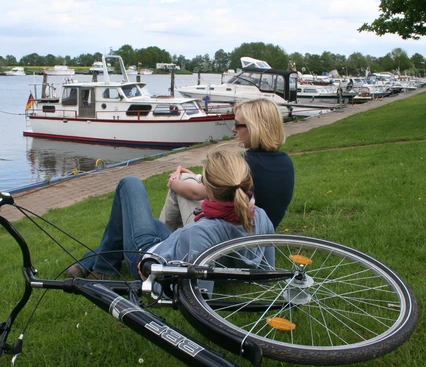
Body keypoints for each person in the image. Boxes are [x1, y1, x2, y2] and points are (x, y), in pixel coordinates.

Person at [66, 145, 274, 280]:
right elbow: (267, 271)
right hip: (173, 245)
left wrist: (148, 268)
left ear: (208, 188)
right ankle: (93, 262)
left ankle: (104, 269)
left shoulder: (199, 233)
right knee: (150, 224)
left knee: (129, 184)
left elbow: (189, 288)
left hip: (146, 255)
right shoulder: (261, 216)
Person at [159, 98, 294, 231]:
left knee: (181, 181)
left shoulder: (245, 164)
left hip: (227, 239)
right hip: (261, 234)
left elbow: (195, 193)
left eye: (237, 124)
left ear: (254, 128)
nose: (233, 129)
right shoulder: (285, 161)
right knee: (190, 179)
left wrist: (173, 181)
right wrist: (199, 178)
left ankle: (161, 243)